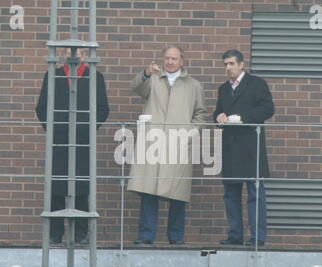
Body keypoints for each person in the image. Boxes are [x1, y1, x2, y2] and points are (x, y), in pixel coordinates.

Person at [128, 45, 208, 245]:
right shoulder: (153, 79)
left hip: (178, 143)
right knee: (148, 191)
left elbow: (200, 114)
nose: (170, 62)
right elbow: (136, 87)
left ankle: (176, 237)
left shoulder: (193, 85)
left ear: (182, 61)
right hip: (153, 143)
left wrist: (190, 133)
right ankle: (146, 236)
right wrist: (146, 73)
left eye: (174, 59)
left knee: (177, 195)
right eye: (167, 58)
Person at [36, 48, 109, 244]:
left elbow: (102, 108)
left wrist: (86, 130)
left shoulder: (95, 77)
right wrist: (54, 130)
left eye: (79, 52)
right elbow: (42, 107)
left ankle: (80, 234)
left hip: (83, 141)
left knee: (82, 188)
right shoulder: (53, 75)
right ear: (64, 53)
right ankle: (55, 233)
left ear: (85, 55)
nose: (75, 56)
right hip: (58, 139)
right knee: (56, 187)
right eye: (70, 51)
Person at [213, 49, 274, 247]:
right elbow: (217, 112)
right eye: (225, 65)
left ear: (241, 65)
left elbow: (268, 109)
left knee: (255, 194)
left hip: (251, 147)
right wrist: (219, 117)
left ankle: (257, 237)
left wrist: (243, 118)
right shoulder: (223, 89)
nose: (228, 68)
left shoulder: (257, 84)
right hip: (230, 147)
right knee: (231, 194)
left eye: (231, 64)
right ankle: (235, 235)